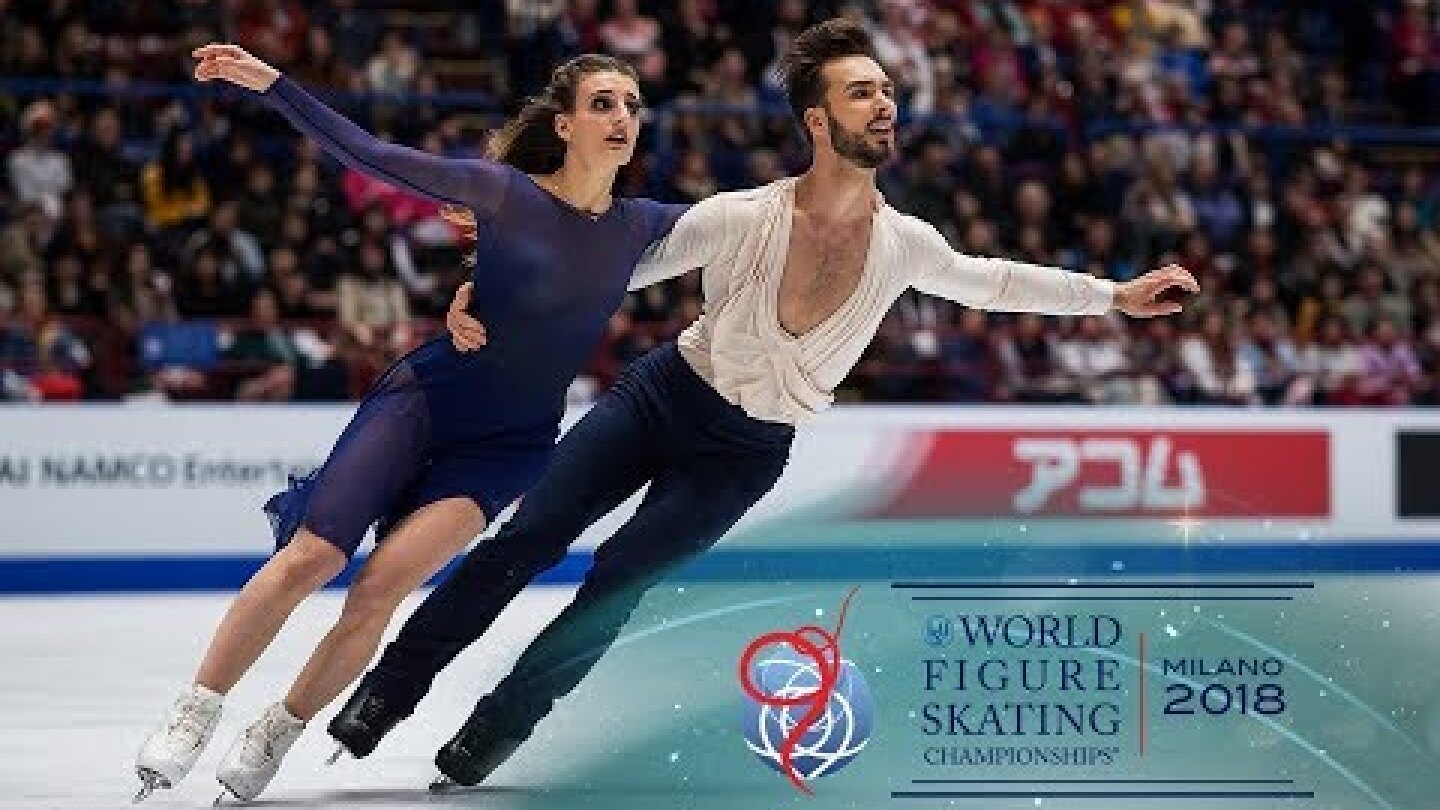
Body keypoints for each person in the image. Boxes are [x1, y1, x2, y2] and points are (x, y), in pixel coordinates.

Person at [327, 18, 1198, 788]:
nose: (886, 103)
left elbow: (994, 281)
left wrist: (1112, 296)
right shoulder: (739, 216)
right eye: (863, 92)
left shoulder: (907, 245)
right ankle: (386, 695)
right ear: (818, 121)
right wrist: (481, 294)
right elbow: (598, 273)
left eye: (888, 90)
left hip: (747, 452)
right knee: (523, 539)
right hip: (660, 396)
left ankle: (489, 736)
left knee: (616, 587)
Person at [133, 43, 692, 804]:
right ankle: (195, 710)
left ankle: (280, 727)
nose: (622, 116)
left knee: (380, 592)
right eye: (603, 103)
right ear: (563, 125)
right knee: (312, 557)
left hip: (510, 446)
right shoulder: (499, 192)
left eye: (632, 105)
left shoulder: (643, 226)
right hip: (429, 401)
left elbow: (765, 217)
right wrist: (273, 83)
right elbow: (367, 153)